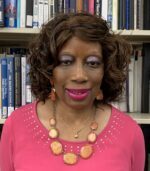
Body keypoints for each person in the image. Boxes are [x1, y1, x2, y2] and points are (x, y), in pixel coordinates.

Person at [0, 12, 145, 171]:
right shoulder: (16, 125)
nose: (79, 76)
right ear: (49, 69)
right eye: (66, 62)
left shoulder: (130, 133)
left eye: (93, 63)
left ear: (106, 70)